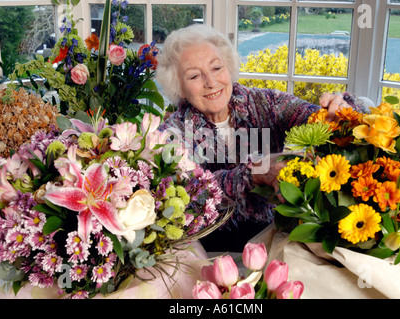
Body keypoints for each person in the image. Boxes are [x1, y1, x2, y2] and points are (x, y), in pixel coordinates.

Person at [156, 24, 368, 252]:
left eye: (217, 68)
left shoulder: (265, 102)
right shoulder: (172, 132)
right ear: (179, 86)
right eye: (195, 76)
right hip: (211, 248)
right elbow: (185, 192)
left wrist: (340, 110)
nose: (211, 82)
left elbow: (314, 118)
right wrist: (253, 173)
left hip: (276, 234)